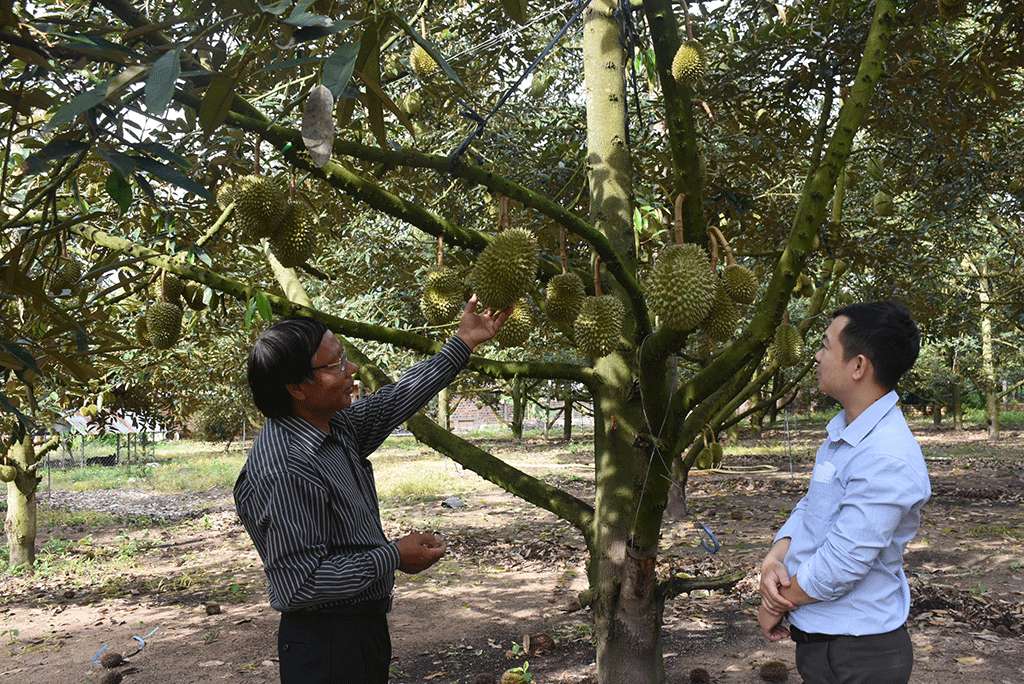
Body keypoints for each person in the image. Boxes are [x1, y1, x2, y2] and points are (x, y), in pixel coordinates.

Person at [234, 295, 510, 684]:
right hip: (326, 645)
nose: (350, 370)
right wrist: (393, 556)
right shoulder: (286, 467)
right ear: (296, 387)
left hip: (360, 630)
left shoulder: (333, 424)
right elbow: (300, 583)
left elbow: (395, 399)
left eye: (344, 357)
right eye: (335, 365)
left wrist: (463, 342)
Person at [757, 300, 930, 684]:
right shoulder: (844, 435)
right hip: (823, 642)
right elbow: (812, 506)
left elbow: (843, 563)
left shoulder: (887, 456)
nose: (817, 356)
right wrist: (774, 558)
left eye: (825, 345)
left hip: (861, 652)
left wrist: (776, 602)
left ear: (858, 366)